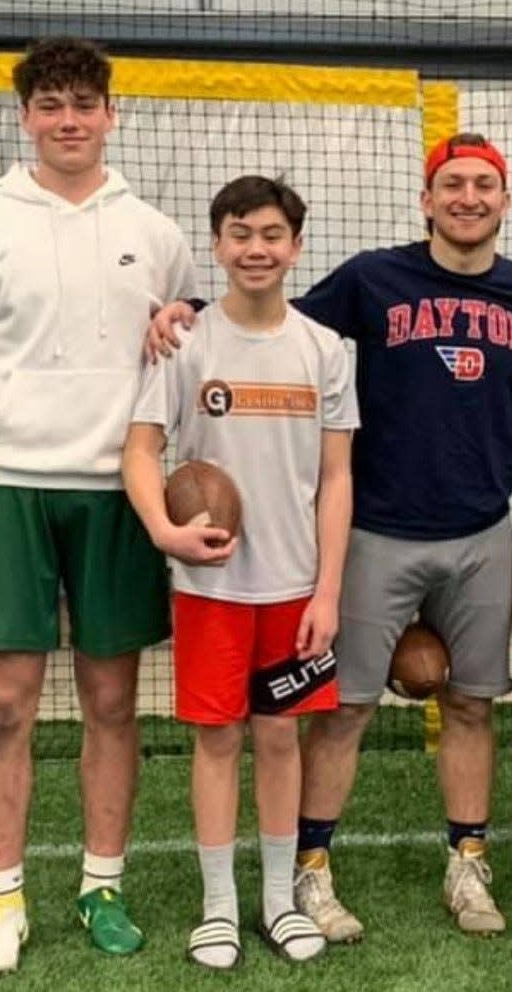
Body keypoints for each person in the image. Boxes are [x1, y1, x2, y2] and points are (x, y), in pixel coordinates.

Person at [146, 133, 512, 940]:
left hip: (486, 529)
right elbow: (272, 322)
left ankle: (468, 862)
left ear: (503, 201)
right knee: (338, 711)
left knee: (474, 704)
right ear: (426, 199)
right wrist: (188, 314)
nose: (467, 198)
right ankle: (309, 871)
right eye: (452, 184)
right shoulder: (374, 277)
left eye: (484, 185)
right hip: (376, 530)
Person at [0, 37, 197, 977]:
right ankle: (1, 903)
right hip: (5, 490)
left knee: (113, 700)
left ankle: (101, 887)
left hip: (116, 494)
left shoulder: (157, 234)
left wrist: (136, 460)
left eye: (85, 102)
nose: (70, 119)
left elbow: (174, 357)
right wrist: (2, 450)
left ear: (111, 113)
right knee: (3, 706)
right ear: (26, 116)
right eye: (51, 104)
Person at [123, 175, 359, 968]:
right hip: (210, 588)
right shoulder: (184, 344)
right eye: (238, 234)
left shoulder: (325, 350)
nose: (254, 249)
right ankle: (218, 908)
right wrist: (165, 529)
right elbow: (143, 450)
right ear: (217, 245)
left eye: (270, 234)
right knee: (218, 741)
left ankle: (277, 904)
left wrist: (328, 590)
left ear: (295, 245)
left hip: (294, 591)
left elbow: (336, 479)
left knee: (282, 738)